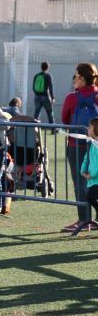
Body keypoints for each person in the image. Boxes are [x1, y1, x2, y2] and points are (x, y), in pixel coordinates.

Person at [61, 63, 98, 232]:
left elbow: (64, 119)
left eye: (75, 76)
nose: (73, 79)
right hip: (96, 145)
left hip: (76, 145)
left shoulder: (71, 98)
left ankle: (84, 220)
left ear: (82, 78)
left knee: (80, 183)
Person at [80, 117, 98, 230]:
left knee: (90, 196)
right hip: (92, 179)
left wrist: (92, 174)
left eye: (90, 126)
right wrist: (83, 171)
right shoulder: (92, 143)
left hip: (95, 178)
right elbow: (87, 158)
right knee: (90, 196)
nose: (88, 128)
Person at [32, 62, 56, 128]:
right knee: (49, 112)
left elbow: (33, 87)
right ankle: (53, 129)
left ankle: (34, 128)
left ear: (41, 67)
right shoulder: (48, 76)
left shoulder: (36, 75)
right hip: (45, 96)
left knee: (36, 113)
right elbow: (50, 87)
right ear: (48, 68)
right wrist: (52, 97)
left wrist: (37, 94)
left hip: (37, 97)